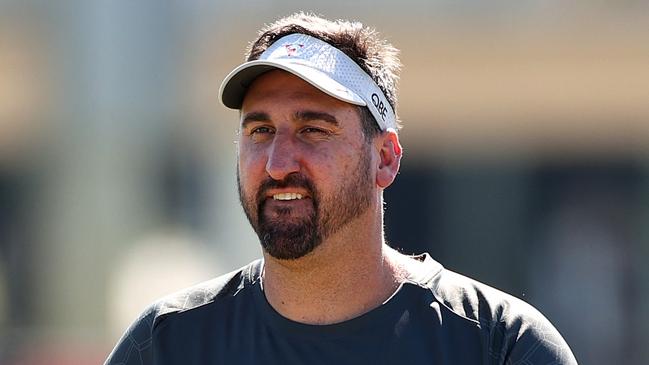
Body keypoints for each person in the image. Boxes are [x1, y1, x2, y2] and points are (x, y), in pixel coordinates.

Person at [105, 13, 577, 365]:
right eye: (260, 131)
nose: (278, 163)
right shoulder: (168, 344)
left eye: (313, 130)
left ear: (386, 158)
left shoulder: (499, 344)